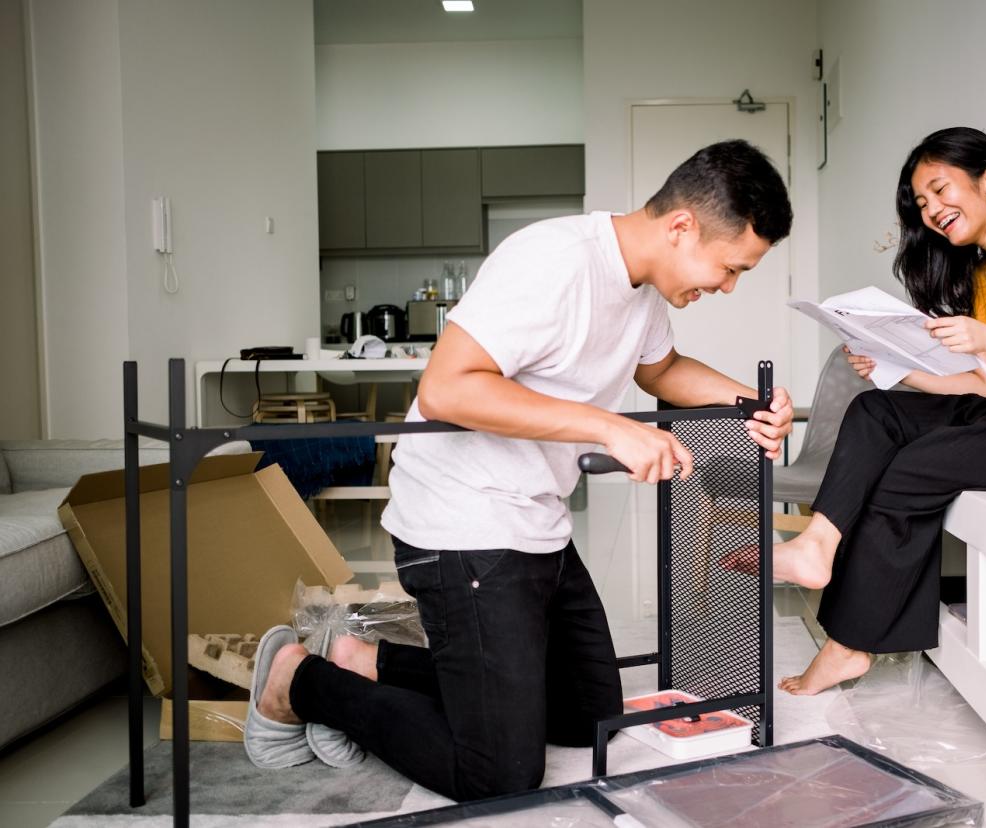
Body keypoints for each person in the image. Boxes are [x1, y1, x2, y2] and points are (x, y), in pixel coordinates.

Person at [243, 140, 795, 799]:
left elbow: (663, 371)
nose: (728, 287)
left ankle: (367, 659)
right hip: (461, 523)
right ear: (681, 227)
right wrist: (607, 426)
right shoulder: (556, 261)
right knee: (499, 773)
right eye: (730, 267)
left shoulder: (644, 291)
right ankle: (298, 681)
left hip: (536, 518)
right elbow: (448, 388)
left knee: (588, 712)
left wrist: (750, 401)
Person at [735, 126, 986, 695]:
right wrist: (896, 369)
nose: (933, 210)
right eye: (922, 203)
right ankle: (817, 544)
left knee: (908, 471)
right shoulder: (983, 270)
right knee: (875, 411)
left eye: (941, 190)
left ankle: (847, 648)